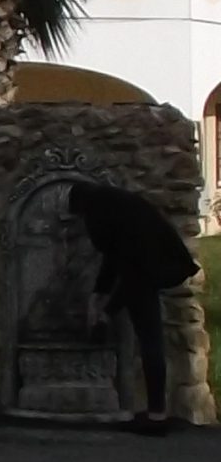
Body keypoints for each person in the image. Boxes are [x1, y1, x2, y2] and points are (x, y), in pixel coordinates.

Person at [69, 182, 201, 436]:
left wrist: (106, 311)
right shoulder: (118, 209)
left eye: (80, 217)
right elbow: (113, 258)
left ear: (84, 209)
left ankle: (156, 417)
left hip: (152, 268)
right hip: (154, 265)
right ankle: (156, 413)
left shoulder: (106, 216)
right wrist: (99, 294)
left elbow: (130, 273)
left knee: (151, 340)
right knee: (150, 338)